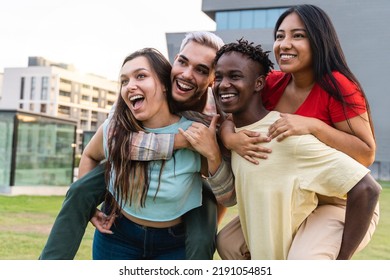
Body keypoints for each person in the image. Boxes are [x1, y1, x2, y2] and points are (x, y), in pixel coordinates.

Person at [39, 31, 235, 260]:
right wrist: (179, 141)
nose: (187, 74)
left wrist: (223, 142)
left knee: (205, 201)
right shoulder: (128, 109)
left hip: (175, 235)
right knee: (83, 188)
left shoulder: (210, 118)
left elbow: (224, 188)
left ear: (213, 79)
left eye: (201, 70)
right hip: (119, 231)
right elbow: (112, 142)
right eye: (182, 62)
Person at [216, 4, 379, 260]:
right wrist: (229, 136)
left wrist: (314, 126)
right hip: (299, 199)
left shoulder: (339, 87)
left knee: (300, 263)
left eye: (298, 35)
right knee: (228, 243)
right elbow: (232, 103)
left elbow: (366, 154)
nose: (285, 44)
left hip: (341, 202)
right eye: (280, 36)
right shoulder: (273, 83)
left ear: (318, 41)